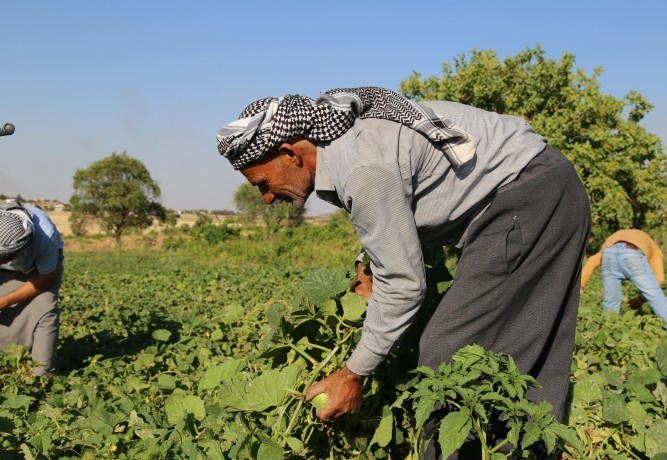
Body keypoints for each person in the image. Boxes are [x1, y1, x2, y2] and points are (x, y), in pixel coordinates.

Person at [216, 87, 591, 455]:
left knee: (448, 353)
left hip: (528, 198)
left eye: (263, 184)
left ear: (289, 154)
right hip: (541, 188)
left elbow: (404, 283)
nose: (266, 199)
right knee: (529, 344)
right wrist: (370, 266)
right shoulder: (349, 147)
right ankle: (526, 448)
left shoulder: (362, 167)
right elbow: (389, 217)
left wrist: (354, 374)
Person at [0, 201, 63, 377]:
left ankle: (41, 377)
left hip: (38, 271)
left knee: (44, 307)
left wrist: (4, 301)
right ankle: (8, 359)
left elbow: (45, 280)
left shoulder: (45, 237)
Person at [581, 229, 667, 333]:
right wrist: (640, 300)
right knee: (655, 295)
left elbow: (592, 260)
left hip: (608, 254)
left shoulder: (615, 237)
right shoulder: (654, 249)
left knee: (611, 301)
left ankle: (610, 332)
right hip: (632, 252)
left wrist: (580, 285)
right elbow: (659, 279)